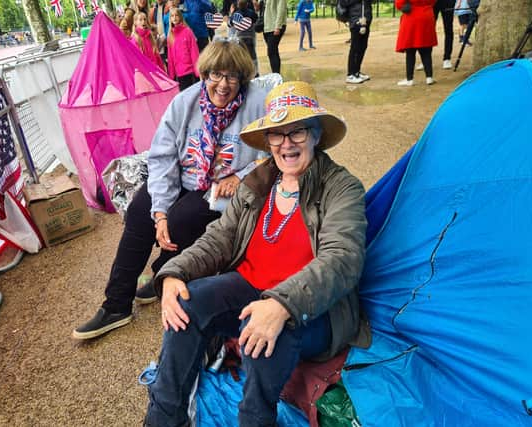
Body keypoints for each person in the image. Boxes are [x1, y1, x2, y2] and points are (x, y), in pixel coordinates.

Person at [143, 81, 371, 426]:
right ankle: (164, 417)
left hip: (316, 308)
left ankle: (255, 419)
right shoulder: (259, 181)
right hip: (250, 287)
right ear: (267, 142)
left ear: (316, 135)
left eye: (297, 132)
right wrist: (175, 272)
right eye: (277, 135)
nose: (286, 144)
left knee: (264, 333)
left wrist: (282, 304)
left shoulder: (342, 186)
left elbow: (343, 258)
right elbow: (220, 237)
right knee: (186, 302)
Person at [73, 40, 269, 340]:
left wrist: (243, 175)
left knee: (182, 222)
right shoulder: (185, 102)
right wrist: (160, 211)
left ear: (243, 78)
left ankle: (165, 272)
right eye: (216, 74)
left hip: (219, 188)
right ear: (204, 74)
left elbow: (277, 148)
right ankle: (116, 305)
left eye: (232, 76)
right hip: (183, 176)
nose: (223, 84)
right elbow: (162, 157)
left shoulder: (258, 101)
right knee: (141, 213)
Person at [395, 0, 438, 86]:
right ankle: (429, 77)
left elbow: (399, 3)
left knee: (410, 51)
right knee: (426, 50)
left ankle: (409, 79)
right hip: (427, 15)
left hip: (411, 16)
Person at [166, 8, 200, 90]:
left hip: (190, 72)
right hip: (180, 74)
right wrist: (171, 75)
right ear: (170, 19)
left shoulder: (188, 31)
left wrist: (198, 71)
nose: (174, 18)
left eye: (176, 15)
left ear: (180, 17)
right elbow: (170, 57)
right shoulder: (170, 36)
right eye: (172, 16)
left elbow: (194, 52)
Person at [341, 0, 372, 83]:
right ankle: (350, 75)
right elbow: (343, 3)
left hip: (366, 19)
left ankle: (356, 72)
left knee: (363, 47)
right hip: (356, 20)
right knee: (355, 47)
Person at [228, 0, 259, 76]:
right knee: (252, 55)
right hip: (250, 36)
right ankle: (255, 72)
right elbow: (256, 20)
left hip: (240, 37)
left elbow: (230, 24)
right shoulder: (251, 13)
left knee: (240, 55)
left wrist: (231, 12)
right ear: (247, 4)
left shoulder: (236, 14)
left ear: (238, 5)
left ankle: (242, 71)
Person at [263, 0, 287, 74]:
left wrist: (278, 26)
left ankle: (276, 75)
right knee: (272, 52)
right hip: (267, 26)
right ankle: (275, 74)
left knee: (272, 52)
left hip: (275, 26)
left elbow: (281, 9)